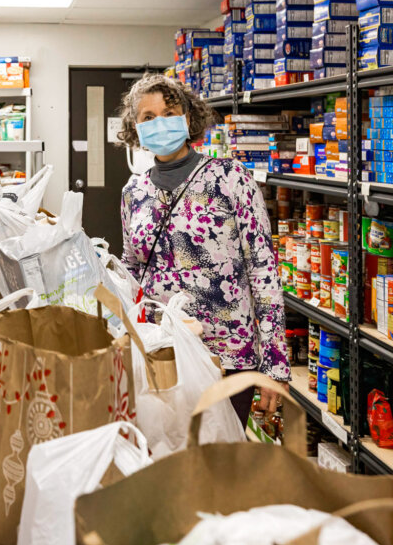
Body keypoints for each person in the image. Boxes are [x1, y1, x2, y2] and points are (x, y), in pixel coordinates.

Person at [117, 74, 288, 425]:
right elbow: (131, 268)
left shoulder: (231, 178)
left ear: (188, 117)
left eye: (169, 112)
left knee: (219, 468)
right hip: (161, 353)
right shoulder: (133, 192)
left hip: (227, 357)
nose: (160, 123)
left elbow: (263, 272)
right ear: (135, 129)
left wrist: (276, 364)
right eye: (148, 117)